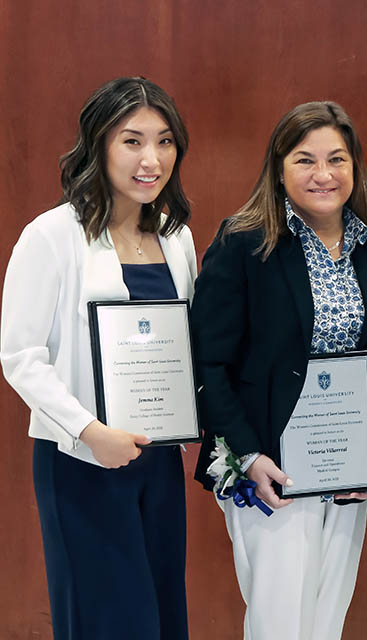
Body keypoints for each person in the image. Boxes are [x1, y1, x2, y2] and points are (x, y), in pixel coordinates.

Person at [190, 101, 367, 640]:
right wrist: (248, 453)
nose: (323, 174)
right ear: (278, 167)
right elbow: (207, 362)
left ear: (355, 165)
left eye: (337, 159)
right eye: (305, 160)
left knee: (326, 620)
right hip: (270, 469)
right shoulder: (244, 242)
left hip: (345, 469)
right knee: (280, 624)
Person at [0, 77, 194, 639]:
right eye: (132, 141)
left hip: (157, 459)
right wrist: (90, 432)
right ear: (98, 144)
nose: (151, 159)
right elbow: (21, 357)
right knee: (106, 620)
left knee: (160, 613)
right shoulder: (51, 235)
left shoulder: (176, 236)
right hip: (81, 463)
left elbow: (185, 344)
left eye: (164, 141)